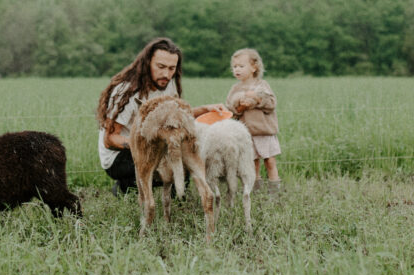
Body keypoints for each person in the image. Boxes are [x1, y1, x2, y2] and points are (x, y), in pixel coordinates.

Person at [96, 37, 222, 194]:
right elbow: (109, 140)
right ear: (147, 62)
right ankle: (125, 187)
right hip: (119, 156)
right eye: (161, 67)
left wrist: (206, 109)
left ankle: (176, 204)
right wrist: (147, 145)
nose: (166, 74)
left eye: (171, 68)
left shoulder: (168, 84)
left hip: (155, 145)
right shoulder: (126, 91)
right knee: (157, 169)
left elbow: (177, 116)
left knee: (184, 163)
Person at [226, 48, 282, 194]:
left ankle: (274, 192)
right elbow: (231, 110)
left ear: (254, 67)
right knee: (253, 163)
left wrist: (256, 99)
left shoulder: (262, 86)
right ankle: (256, 191)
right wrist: (240, 107)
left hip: (264, 132)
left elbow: (271, 104)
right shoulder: (235, 89)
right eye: (234, 67)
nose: (237, 69)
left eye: (241, 66)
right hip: (247, 134)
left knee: (270, 161)